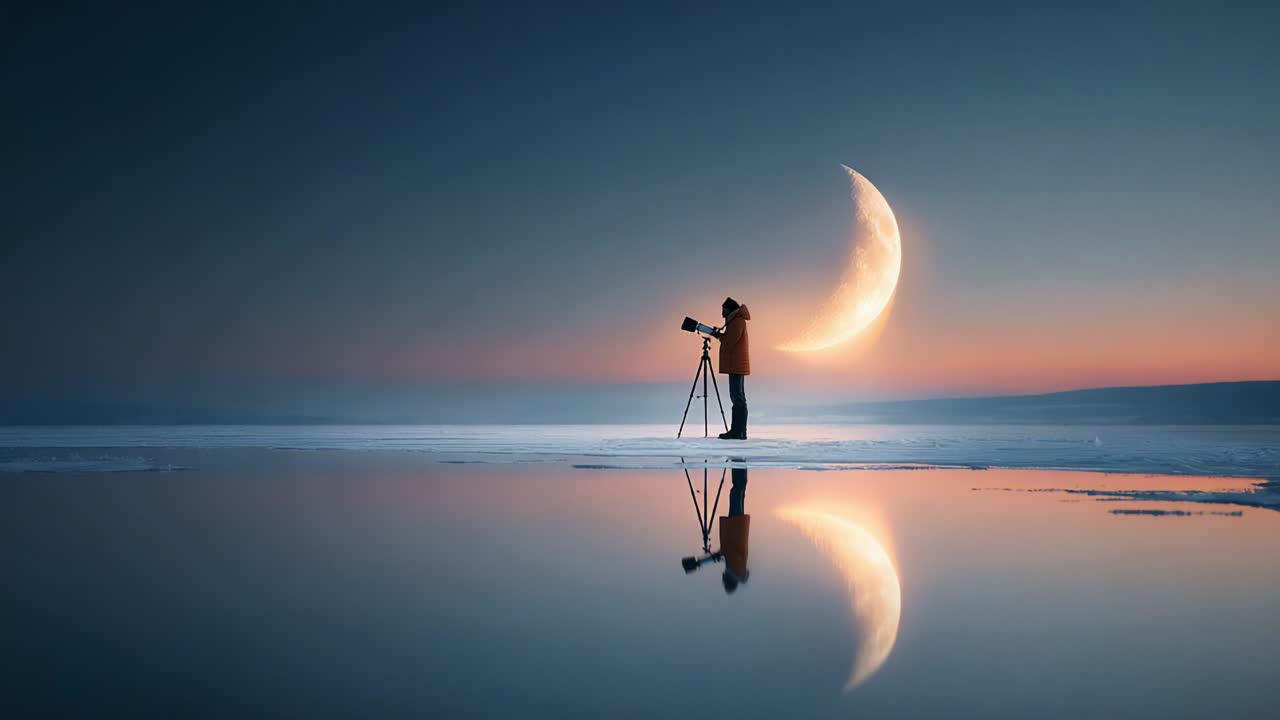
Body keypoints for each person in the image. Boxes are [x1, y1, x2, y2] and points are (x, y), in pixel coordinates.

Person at [713, 297, 751, 440]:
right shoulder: (735, 321)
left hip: (736, 365)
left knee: (737, 398)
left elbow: (730, 342)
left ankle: (738, 432)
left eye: (723, 309)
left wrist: (718, 336)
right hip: (736, 364)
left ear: (729, 309)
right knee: (738, 398)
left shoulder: (737, 321)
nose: (722, 312)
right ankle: (739, 431)